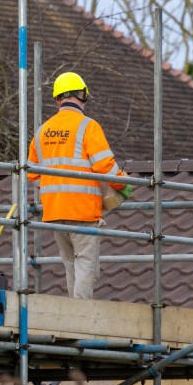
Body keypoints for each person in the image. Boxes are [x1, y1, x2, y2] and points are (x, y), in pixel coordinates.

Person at [27, 71, 131, 299]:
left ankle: (73, 313)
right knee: (86, 267)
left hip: (54, 212)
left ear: (58, 100)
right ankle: (81, 315)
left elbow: (32, 174)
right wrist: (123, 184)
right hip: (83, 211)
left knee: (70, 266)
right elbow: (105, 166)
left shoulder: (42, 131)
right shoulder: (88, 127)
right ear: (83, 96)